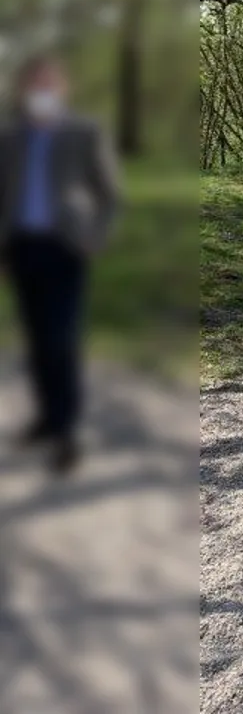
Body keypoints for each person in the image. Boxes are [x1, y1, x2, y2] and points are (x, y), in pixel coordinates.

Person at [0, 53, 119, 474]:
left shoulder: (83, 133)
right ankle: (46, 418)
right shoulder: (10, 137)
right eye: (36, 85)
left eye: (50, 84)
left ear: (63, 88)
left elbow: (108, 193)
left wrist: (95, 236)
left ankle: (66, 431)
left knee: (60, 339)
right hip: (20, 247)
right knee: (34, 337)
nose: (42, 93)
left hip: (65, 248)